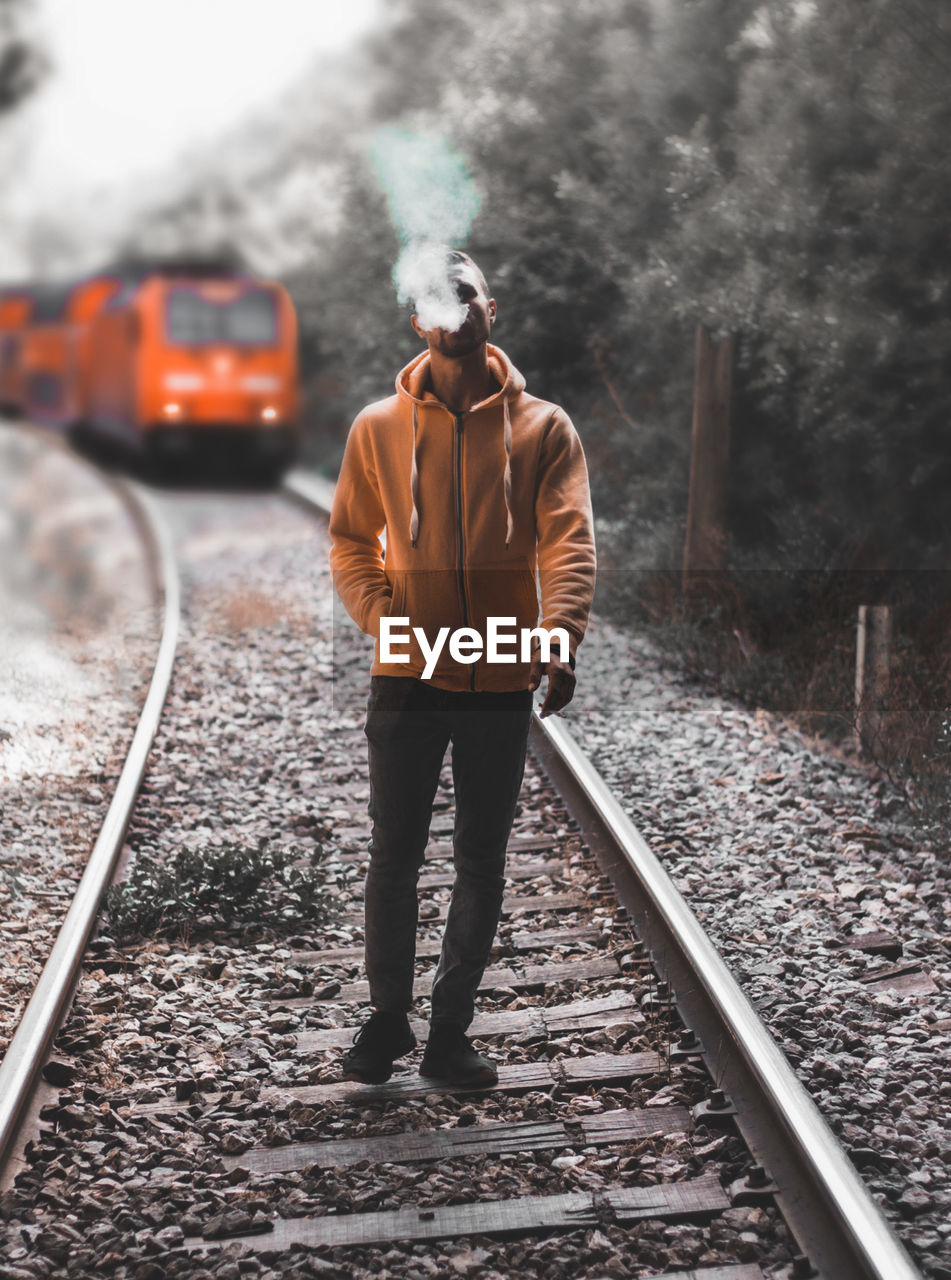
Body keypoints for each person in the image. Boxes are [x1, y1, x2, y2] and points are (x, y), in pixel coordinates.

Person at [328, 248, 595, 1086]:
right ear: (418, 320)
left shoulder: (544, 428)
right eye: (437, 297)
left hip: (498, 670)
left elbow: (567, 541)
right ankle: (386, 1021)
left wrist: (559, 634)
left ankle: (449, 1032)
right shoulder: (376, 427)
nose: (454, 307)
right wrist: (384, 617)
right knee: (394, 853)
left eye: (467, 292)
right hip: (407, 670)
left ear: (490, 307)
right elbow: (349, 542)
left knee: (480, 858)